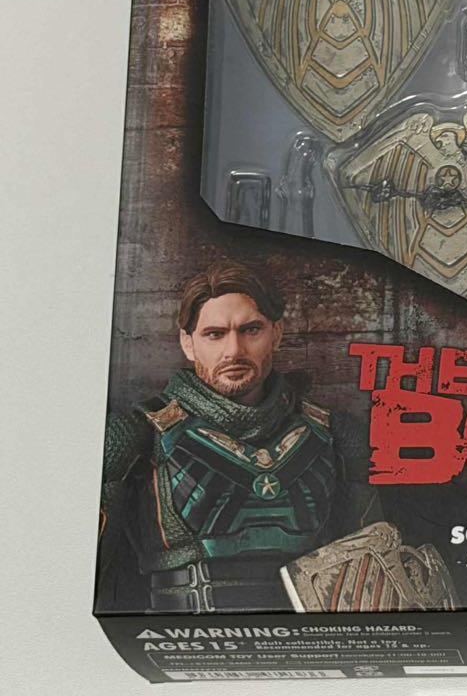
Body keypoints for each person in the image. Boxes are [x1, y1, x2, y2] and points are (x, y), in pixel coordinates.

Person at [97, 260, 378, 613]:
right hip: (190, 637)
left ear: (276, 334)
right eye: (214, 334)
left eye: (251, 330)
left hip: (304, 638)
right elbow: (85, 578)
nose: (234, 351)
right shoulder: (136, 435)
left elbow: (372, 571)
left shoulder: (336, 434)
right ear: (188, 343)